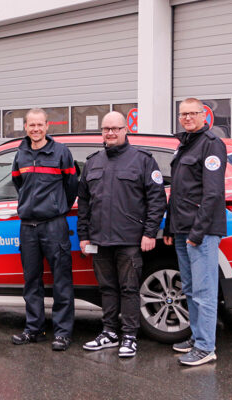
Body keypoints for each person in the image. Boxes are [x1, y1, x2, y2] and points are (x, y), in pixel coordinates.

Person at [77, 111, 166, 357]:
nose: (111, 133)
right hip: (99, 239)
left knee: (129, 288)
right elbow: (83, 202)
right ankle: (109, 332)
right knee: (106, 289)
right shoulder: (93, 162)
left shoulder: (143, 160)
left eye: (116, 128)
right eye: (106, 129)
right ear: (102, 132)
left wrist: (150, 233)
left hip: (130, 239)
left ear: (126, 130)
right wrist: (83, 236)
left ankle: (129, 336)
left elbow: (157, 200)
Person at [163, 98, 227, 366]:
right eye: (183, 114)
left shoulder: (211, 145)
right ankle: (198, 336)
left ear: (204, 115)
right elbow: (178, 191)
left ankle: (205, 347)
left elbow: (212, 194)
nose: (187, 118)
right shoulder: (185, 144)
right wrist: (169, 226)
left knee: (204, 291)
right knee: (189, 288)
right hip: (181, 229)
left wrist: (196, 233)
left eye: (192, 113)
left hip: (199, 231)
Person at [11, 108, 79, 351]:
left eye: (40, 125)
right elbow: (18, 183)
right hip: (28, 227)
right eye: (32, 125)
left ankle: (62, 333)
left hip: (54, 226)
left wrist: (56, 207)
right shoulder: (21, 153)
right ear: (26, 127)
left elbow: (72, 187)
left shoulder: (61, 153)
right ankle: (34, 329)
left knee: (62, 281)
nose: (36, 129)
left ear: (47, 126)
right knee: (32, 281)